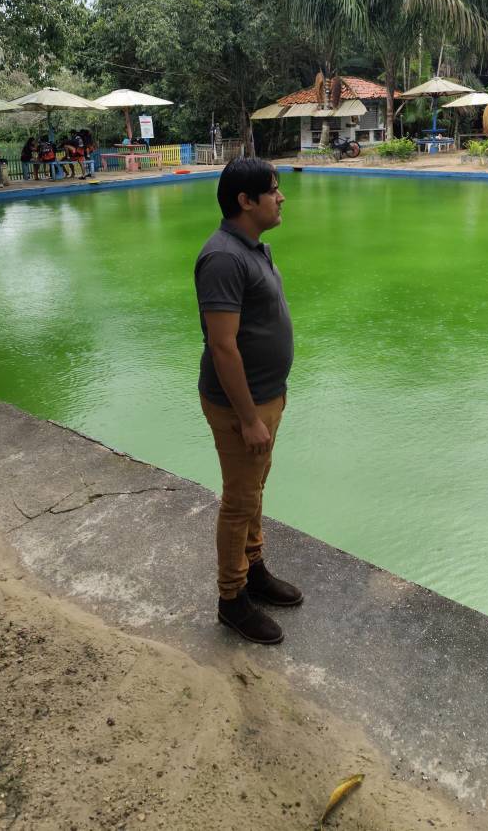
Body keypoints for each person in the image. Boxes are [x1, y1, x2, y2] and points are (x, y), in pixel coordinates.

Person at [194, 158, 300, 646]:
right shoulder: (222, 258)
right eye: (273, 191)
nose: (280, 198)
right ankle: (231, 598)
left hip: (265, 399)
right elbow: (222, 346)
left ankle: (253, 569)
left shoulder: (253, 248)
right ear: (245, 200)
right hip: (243, 408)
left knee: (255, 489)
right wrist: (249, 417)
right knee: (239, 500)